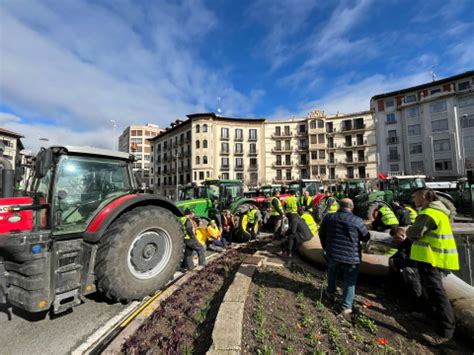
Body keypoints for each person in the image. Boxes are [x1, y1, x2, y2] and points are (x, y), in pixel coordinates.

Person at [403, 188, 459, 346]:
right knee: (430, 289)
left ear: (423, 196)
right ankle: (429, 315)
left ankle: (445, 332)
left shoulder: (429, 213)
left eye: (415, 197)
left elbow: (414, 232)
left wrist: (409, 231)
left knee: (437, 292)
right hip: (431, 257)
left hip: (431, 258)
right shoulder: (437, 212)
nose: (414, 200)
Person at [318, 198, 370, 321]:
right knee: (349, 281)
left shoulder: (329, 218)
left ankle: (330, 293)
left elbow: (321, 233)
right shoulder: (357, 221)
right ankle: (346, 306)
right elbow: (366, 237)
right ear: (351, 207)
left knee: (332, 273)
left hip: (333, 253)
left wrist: (325, 247)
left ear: (339, 206)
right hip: (352, 257)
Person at [389, 227, 423, 310]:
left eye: (397, 238)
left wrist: (395, 261)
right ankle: (394, 291)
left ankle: (415, 304)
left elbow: (409, 259)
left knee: (407, 273)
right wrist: (392, 258)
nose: (396, 240)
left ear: (403, 235)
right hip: (408, 265)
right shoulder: (401, 244)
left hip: (415, 268)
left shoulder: (410, 244)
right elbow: (399, 254)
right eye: (394, 239)